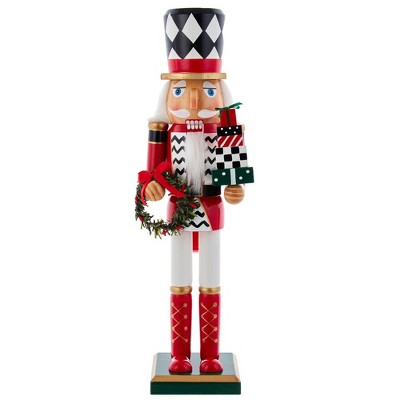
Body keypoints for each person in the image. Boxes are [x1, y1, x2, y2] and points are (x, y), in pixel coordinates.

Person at [143, 8, 244, 374]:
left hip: (212, 209)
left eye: (208, 90)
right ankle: (180, 354)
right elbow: (150, 175)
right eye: (181, 90)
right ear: (168, 95)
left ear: (222, 94)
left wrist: (234, 189)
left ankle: (211, 354)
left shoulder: (226, 133)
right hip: (178, 212)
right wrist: (152, 187)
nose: (195, 103)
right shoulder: (163, 132)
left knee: (211, 279)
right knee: (180, 278)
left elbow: (234, 174)